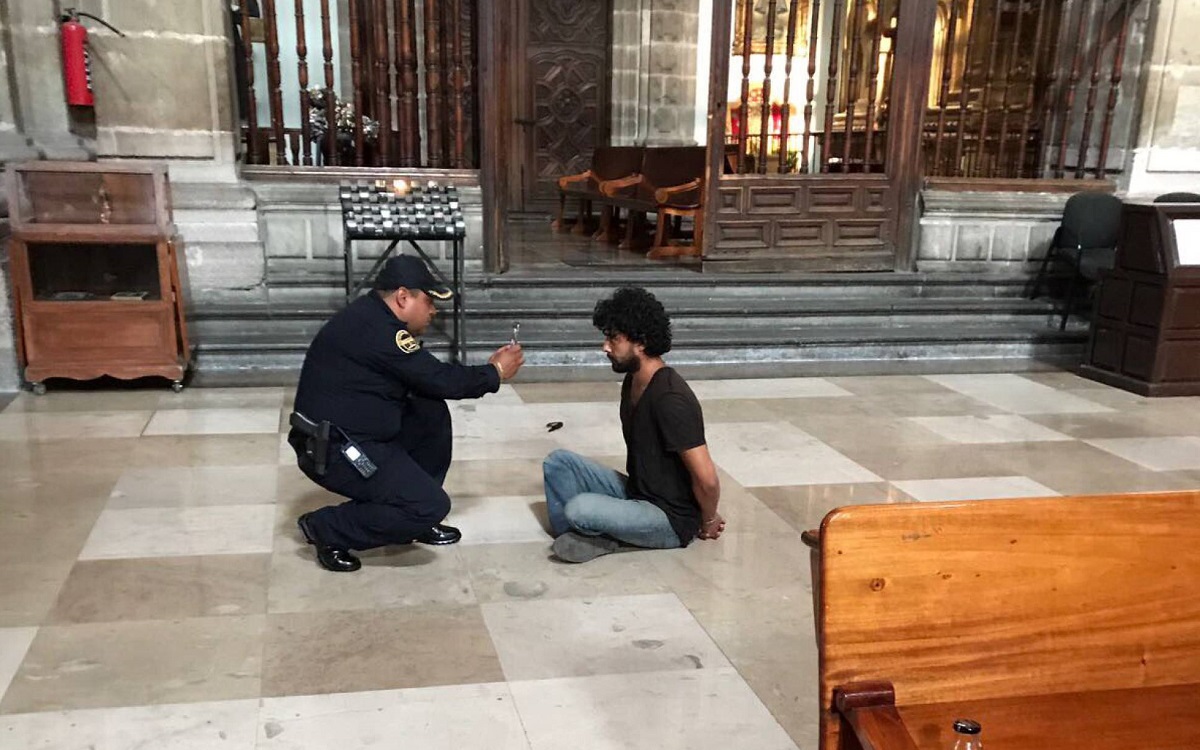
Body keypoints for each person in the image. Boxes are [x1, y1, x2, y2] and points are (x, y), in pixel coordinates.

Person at [288, 254, 524, 572]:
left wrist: (486, 372)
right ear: (403, 297)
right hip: (334, 448)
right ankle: (327, 527)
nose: (433, 310)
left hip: (358, 432)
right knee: (431, 505)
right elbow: (439, 379)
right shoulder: (380, 331)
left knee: (428, 410)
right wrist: (494, 372)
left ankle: (408, 518)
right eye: (427, 301)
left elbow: (427, 379)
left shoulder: (373, 317)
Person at [542, 287, 725, 563]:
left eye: (613, 338)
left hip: (669, 519)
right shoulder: (633, 381)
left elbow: (707, 479)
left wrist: (708, 518)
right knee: (557, 463)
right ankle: (595, 535)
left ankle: (599, 534)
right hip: (638, 493)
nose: (605, 347)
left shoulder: (671, 398)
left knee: (579, 508)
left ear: (641, 342)